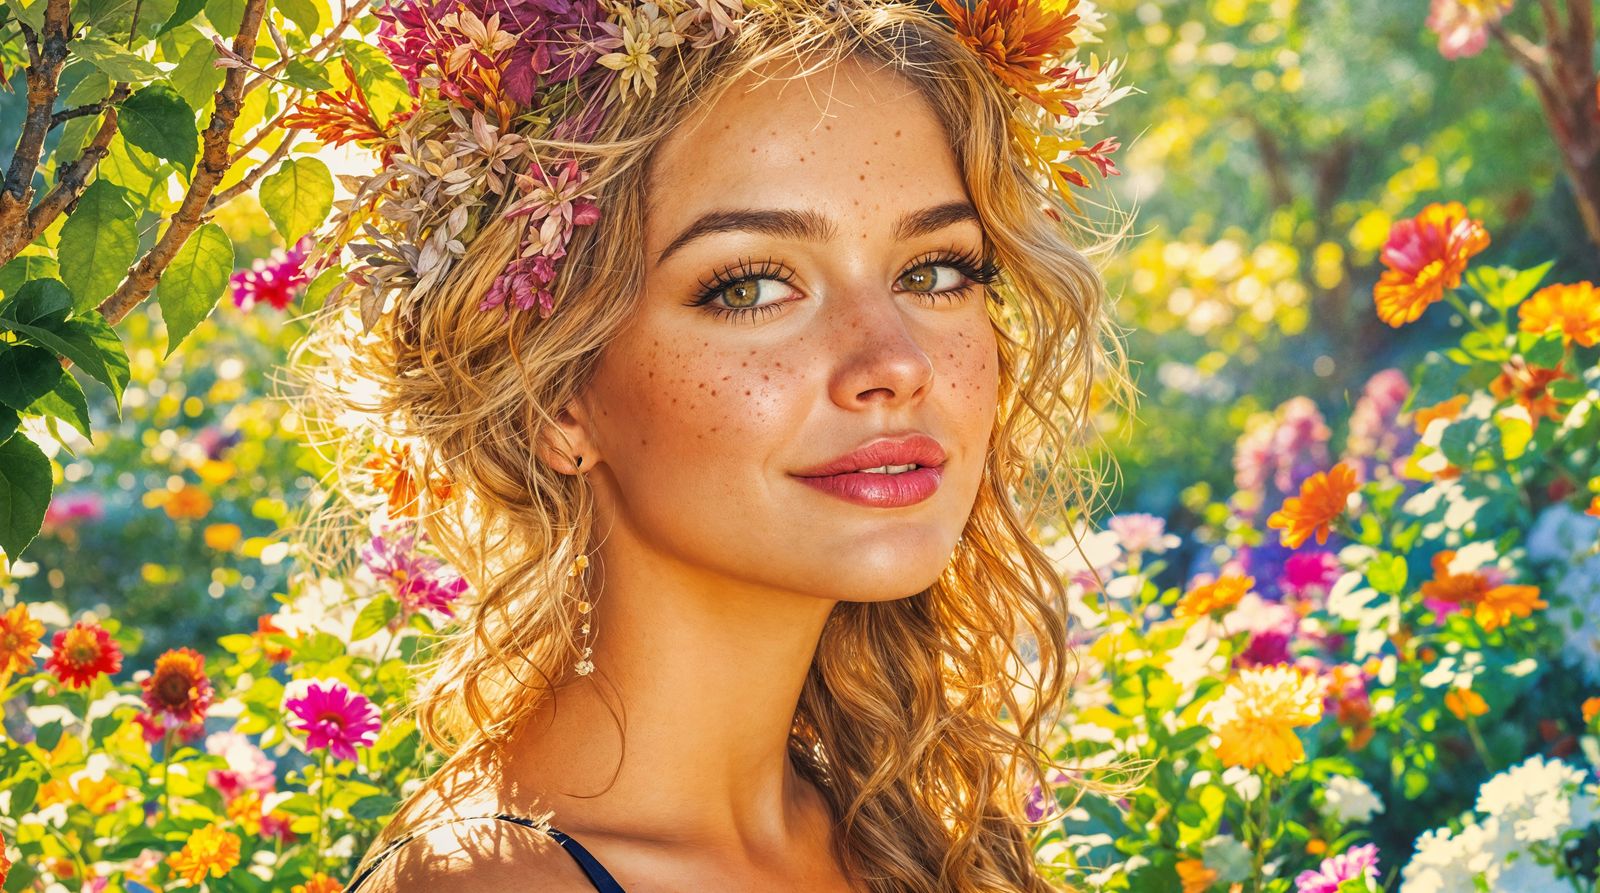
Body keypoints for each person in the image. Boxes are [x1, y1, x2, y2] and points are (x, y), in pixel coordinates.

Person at [294, 1, 1129, 890]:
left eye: (934, 272)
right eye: (753, 286)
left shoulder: (910, 830)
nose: (896, 363)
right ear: (555, 396)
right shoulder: (500, 882)